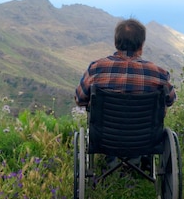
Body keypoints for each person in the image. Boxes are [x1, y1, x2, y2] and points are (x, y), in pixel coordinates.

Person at [75, 18, 176, 169]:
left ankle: (112, 162)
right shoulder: (158, 74)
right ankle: (137, 162)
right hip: (144, 138)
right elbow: (170, 100)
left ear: (116, 42)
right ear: (141, 46)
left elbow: (80, 99)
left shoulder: (96, 69)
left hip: (105, 138)